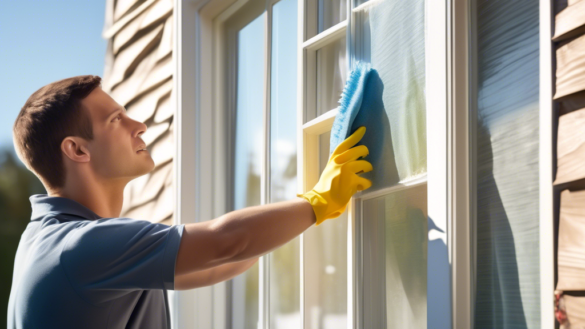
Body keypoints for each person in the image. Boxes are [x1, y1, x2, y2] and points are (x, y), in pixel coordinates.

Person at [7, 75, 372, 328]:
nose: (140, 125)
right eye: (117, 119)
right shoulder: (78, 246)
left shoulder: (48, 239)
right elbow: (224, 242)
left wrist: (287, 217)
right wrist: (319, 200)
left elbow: (219, 264)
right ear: (76, 149)